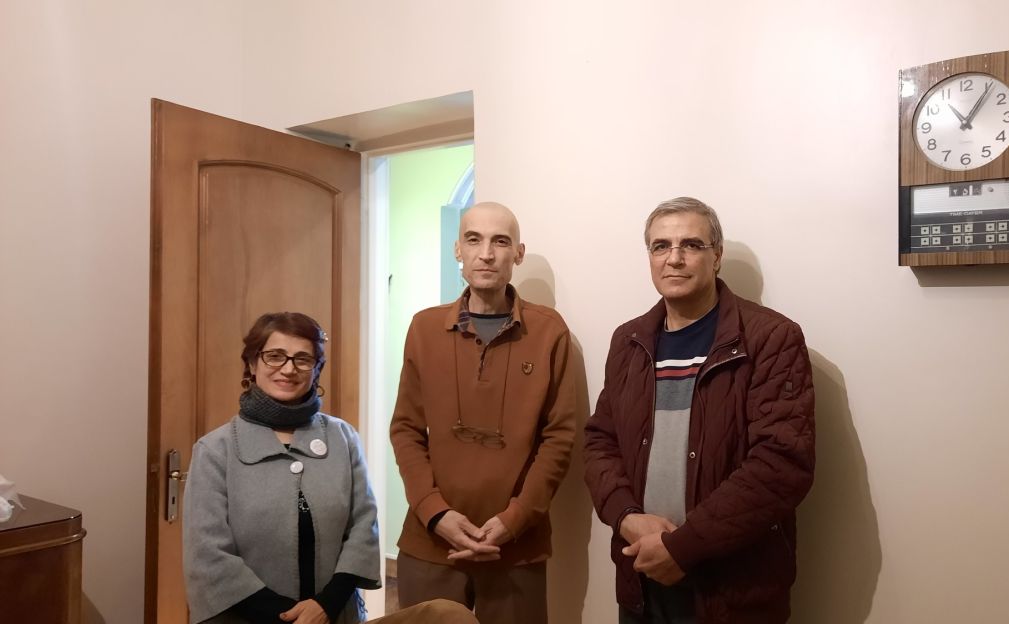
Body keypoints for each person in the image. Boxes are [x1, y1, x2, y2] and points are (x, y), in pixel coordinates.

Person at [583, 197, 816, 624]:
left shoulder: (772, 338)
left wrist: (683, 547)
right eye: (660, 246)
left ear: (717, 256)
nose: (674, 258)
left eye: (690, 244)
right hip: (641, 578)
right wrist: (627, 517)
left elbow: (781, 465)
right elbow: (601, 441)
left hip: (731, 589)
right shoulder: (628, 341)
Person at [183, 312, 480, 624]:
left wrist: (325, 605)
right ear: (253, 365)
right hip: (250, 618)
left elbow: (364, 526)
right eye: (274, 356)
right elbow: (208, 556)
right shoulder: (215, 450)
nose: (288, 368)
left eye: (303, 359)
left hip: (334, 614)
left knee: (448, 616)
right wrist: (288, 616)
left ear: (317, 370)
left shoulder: (342, 437)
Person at [389, 201, 578, 624]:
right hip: (431, 540)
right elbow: (406, 430)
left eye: (500, 241)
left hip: (515, 545)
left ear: (519, 253)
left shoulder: (549, 332)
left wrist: (514, 520)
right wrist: (435, 512)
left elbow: (560, 438)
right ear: (458, 249)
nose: (486, 253)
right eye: (473, 240)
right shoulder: (424, 328)